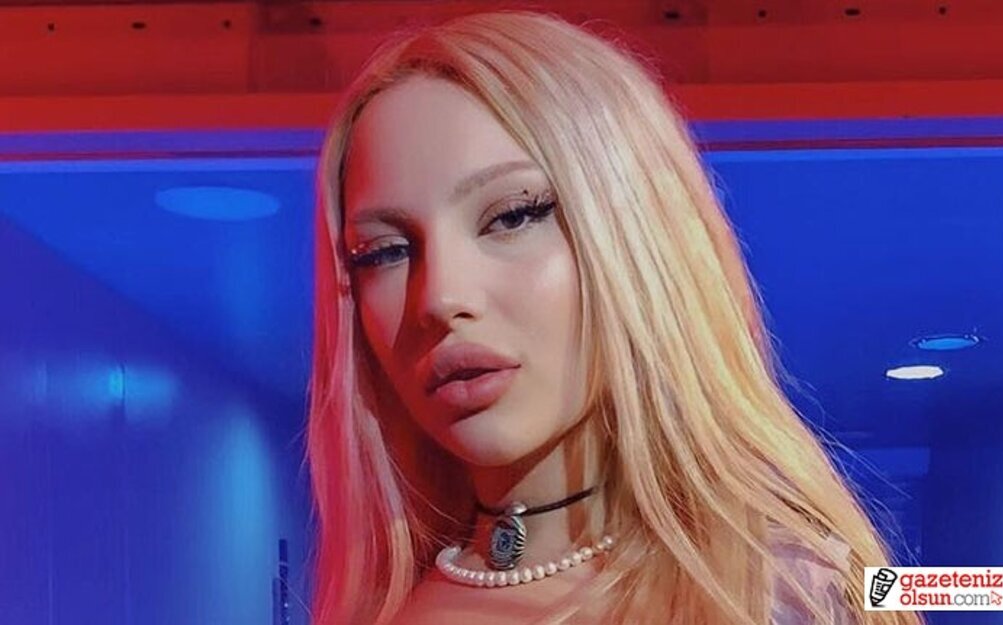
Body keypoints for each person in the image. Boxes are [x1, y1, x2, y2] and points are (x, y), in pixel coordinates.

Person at [306, 10, 924, 625]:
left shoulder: (789, 590)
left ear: (632, 230)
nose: (439, 297)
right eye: (383, 252)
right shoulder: (374, 606)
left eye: (513, 215)